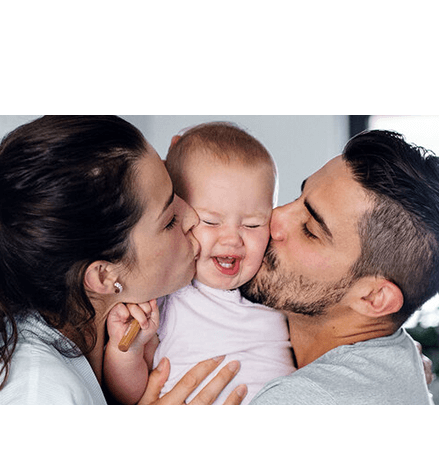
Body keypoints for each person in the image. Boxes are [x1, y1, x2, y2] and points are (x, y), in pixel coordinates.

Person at [0, 115, 247, 405]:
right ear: (103, 276)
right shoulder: (39, 393)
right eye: (169, 219)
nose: (193, 219)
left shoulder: (108, 348)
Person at [241, 130, 439, 405]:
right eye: (299, 197)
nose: (275, 217)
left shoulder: (298, 398)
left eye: (310, 230)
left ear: (374, 297)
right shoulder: (398, 358)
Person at [103, 123, 295, 405]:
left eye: (253, 224)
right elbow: (130, 394)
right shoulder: (168, 298)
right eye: (210, 221)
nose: (232, 239)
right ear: (179, 217)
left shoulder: (279, 290)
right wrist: (127, 352)